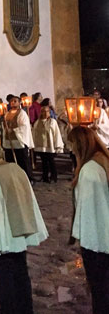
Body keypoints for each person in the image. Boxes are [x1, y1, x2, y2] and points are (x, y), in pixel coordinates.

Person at [0, 140, 48, 314]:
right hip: (19, 233)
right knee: (21, 277)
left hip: (4, 238)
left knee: (6, 283)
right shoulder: (16, 168)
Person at [68, 127, 109, 314]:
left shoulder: (90, 170)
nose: (71, 150)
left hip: (97, 241)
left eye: (72, 145)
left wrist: (81, 237)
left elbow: (90, 210)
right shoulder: (103, 160)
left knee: (100, 289)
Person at [3, 96, 34, 181]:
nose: (13, 102)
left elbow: (24, 127)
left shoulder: (22, 113)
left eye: (15, 101)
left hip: (19, 141)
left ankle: (28, 178)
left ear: (19, 102)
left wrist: (13, 130)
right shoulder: (7, 113)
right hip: (9, 142)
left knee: (23, 162)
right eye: (11, 101)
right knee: (11, 161)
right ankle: (14, 178)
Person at [32, 102, 63, 183]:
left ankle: (54, 176)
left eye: (47, 111)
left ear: (49, 112)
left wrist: (58, 145)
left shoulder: (52, 121)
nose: (45, 113)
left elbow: (56, 134)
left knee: (51, 161)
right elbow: (34, 134)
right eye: (43, 111)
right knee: (44, 162)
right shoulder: (37, 122)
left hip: (50, 145)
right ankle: (45, 176)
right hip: (41, 145)